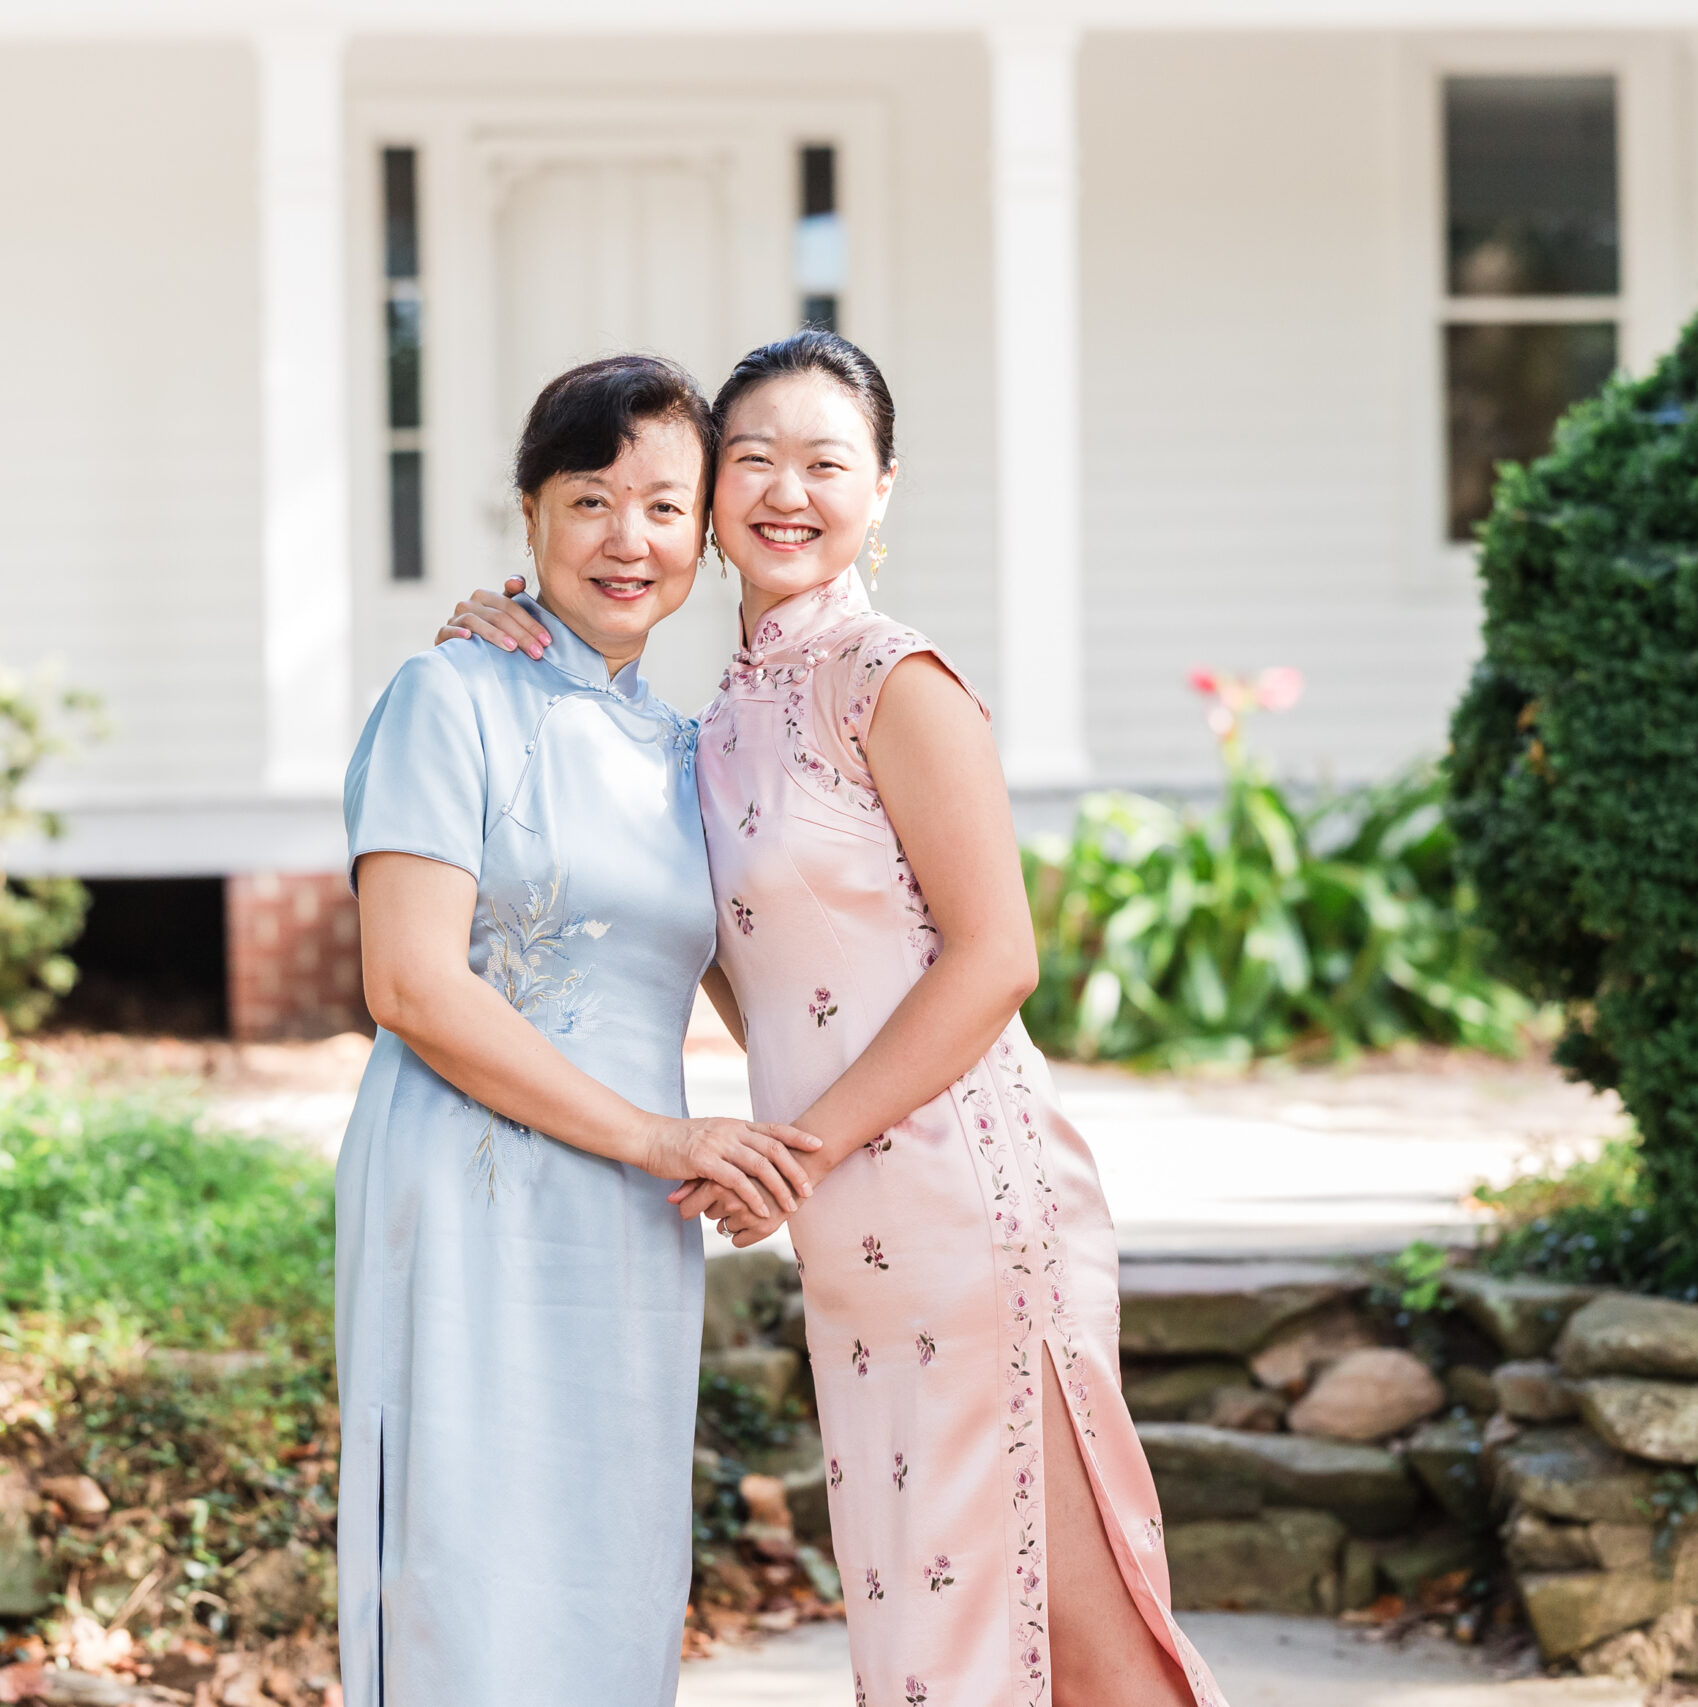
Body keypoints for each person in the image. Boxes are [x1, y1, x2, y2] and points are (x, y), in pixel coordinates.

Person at [439, 332, 1225, 1707]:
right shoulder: (709, 723)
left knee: (1073, 1631)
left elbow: (996, 963)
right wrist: (505, 620)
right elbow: (723, 949)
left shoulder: (892, 678)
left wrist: (792, 1150)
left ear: (883, 488)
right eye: (751, 460)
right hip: (855, 1231)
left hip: (973, 1202)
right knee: (934, 1629)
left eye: (826, 461)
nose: (785, 491)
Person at [337, 353, 825, 1707]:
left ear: (707, 534)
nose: (630, 539)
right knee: (463, 1565)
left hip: (630, 1220)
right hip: (469, 1196)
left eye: (666, 507)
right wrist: (662, 1135)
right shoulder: (449, 697)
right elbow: (412, 987)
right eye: (590, 498)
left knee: (605, 1564)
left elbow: (759, 979)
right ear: (531, 515)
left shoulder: (687, 751)